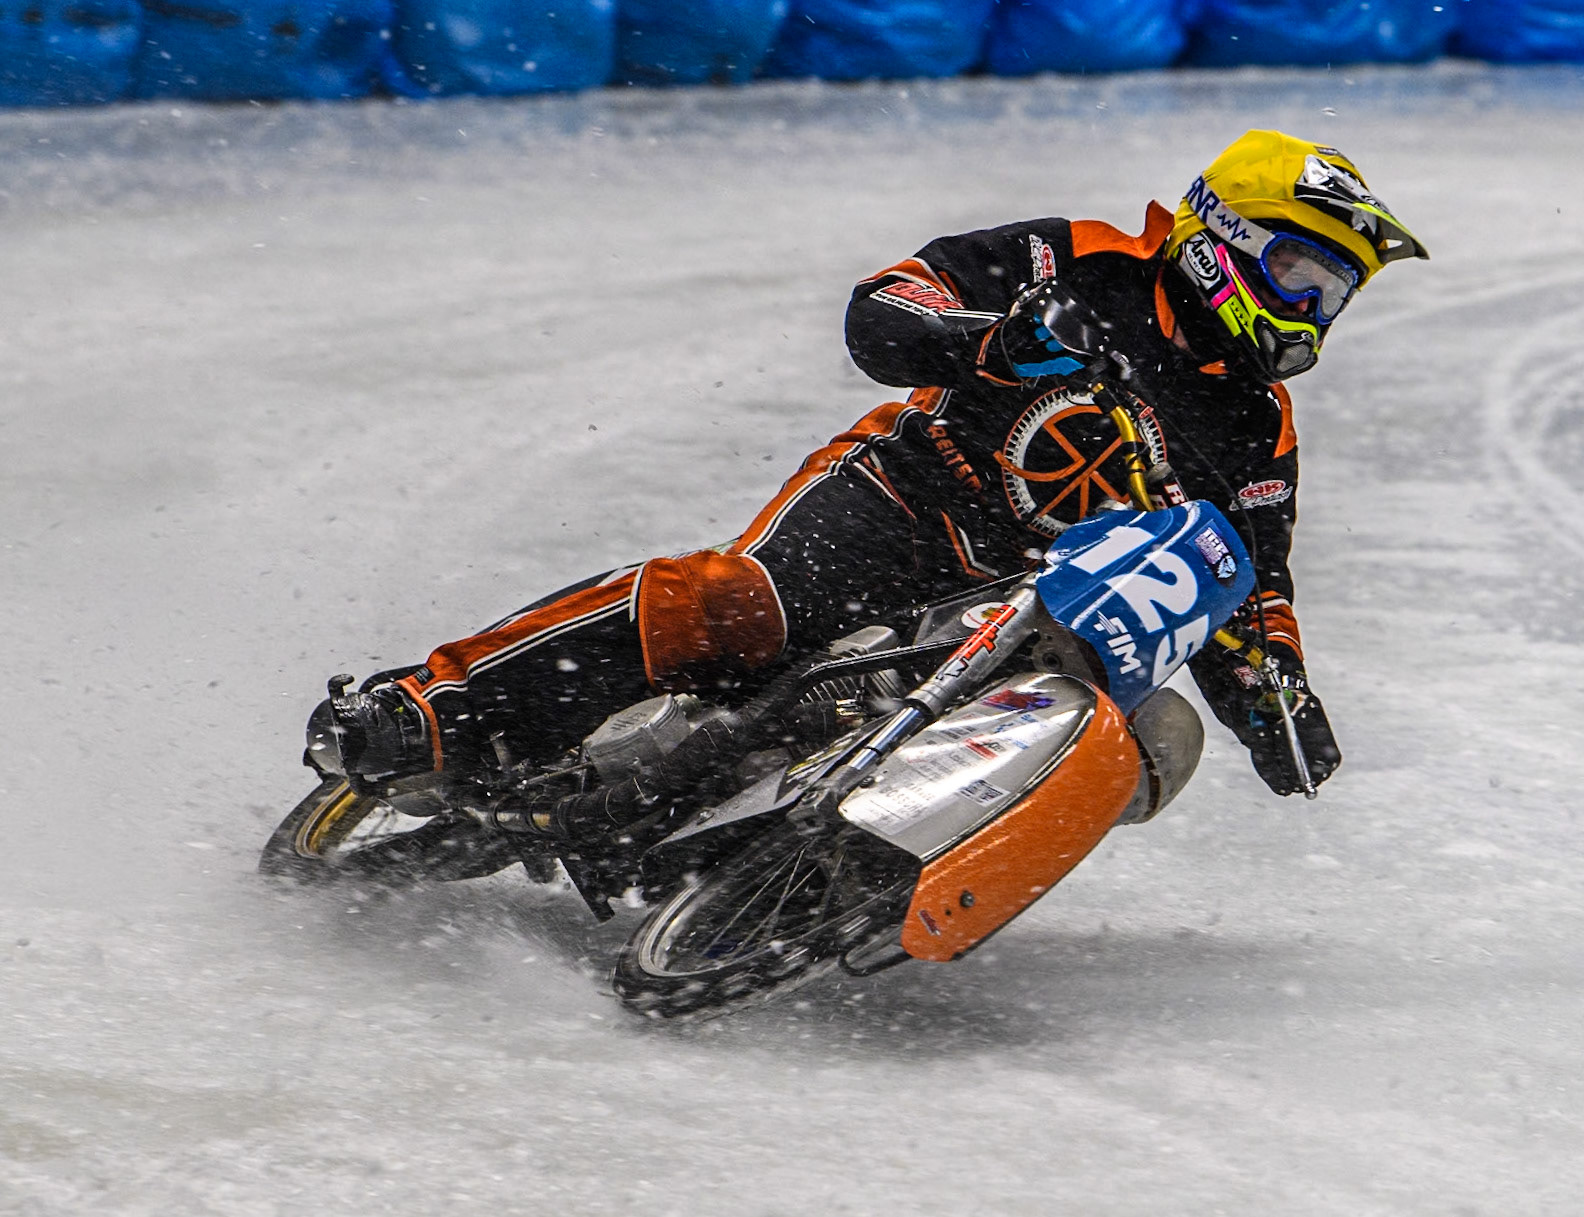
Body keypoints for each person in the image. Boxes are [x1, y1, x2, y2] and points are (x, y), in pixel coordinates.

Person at [316, 129, 1427, 799]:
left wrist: (1272, 693)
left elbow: (1251, 577)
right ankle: (430, 705)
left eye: (1331, 291)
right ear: (1214, 235)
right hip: (903, 498)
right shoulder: (1079, 259)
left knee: (1138, 748)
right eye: (1296, 271)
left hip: (1033, 604)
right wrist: (989, 339)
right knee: (734, 605)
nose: (1307, 308)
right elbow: (883, 307)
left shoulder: (1256, 425)